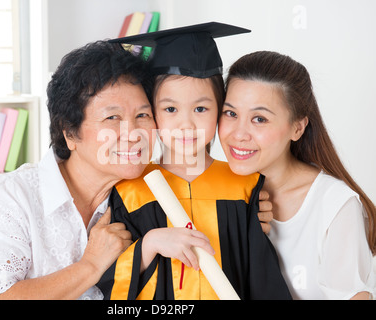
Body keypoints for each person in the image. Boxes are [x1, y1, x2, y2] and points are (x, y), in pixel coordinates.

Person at [97, 23, 292, 300]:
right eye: (170, 109)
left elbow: (262, 280)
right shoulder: (129, 190)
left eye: (201, 108)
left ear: (221, 111)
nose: (186, 124)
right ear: (151, 112)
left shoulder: (245, 187)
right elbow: (110, 281)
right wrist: (148, 246)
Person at [0, 41, 156, 300]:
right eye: (112, 118)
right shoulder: (17, 195)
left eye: (143, 115)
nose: (133, 134)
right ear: (70, 132)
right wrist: (91, 266)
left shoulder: (151, 191)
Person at [218, 50, 376, 299]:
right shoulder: (215, 193)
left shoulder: (335, 207)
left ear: (297, 127)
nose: (239, 134)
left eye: (259, 119)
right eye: (231, 113)